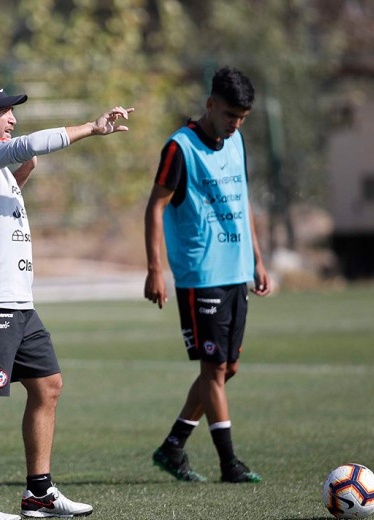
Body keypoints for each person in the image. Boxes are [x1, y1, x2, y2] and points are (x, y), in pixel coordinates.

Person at [0, 80, 133, 519]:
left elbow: (3, 189)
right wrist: (92, 128)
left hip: (17, 302)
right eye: (3, 111)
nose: (12, 118)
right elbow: (26, 145)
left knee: (48, 385)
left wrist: (22, 168)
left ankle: (39, 494)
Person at [143, 66, 270, 484]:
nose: (235, 124)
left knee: (227, 369)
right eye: (230, 115)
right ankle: (229, 463)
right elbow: (155, 206)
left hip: (236, 270)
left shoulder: (237, 142)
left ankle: (173, 445)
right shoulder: (180, 148)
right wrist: (155, 269)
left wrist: (257, 259)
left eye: (242, 118)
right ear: (211, 104)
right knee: (214, 371)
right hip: (201, 275)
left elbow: (242, 200)